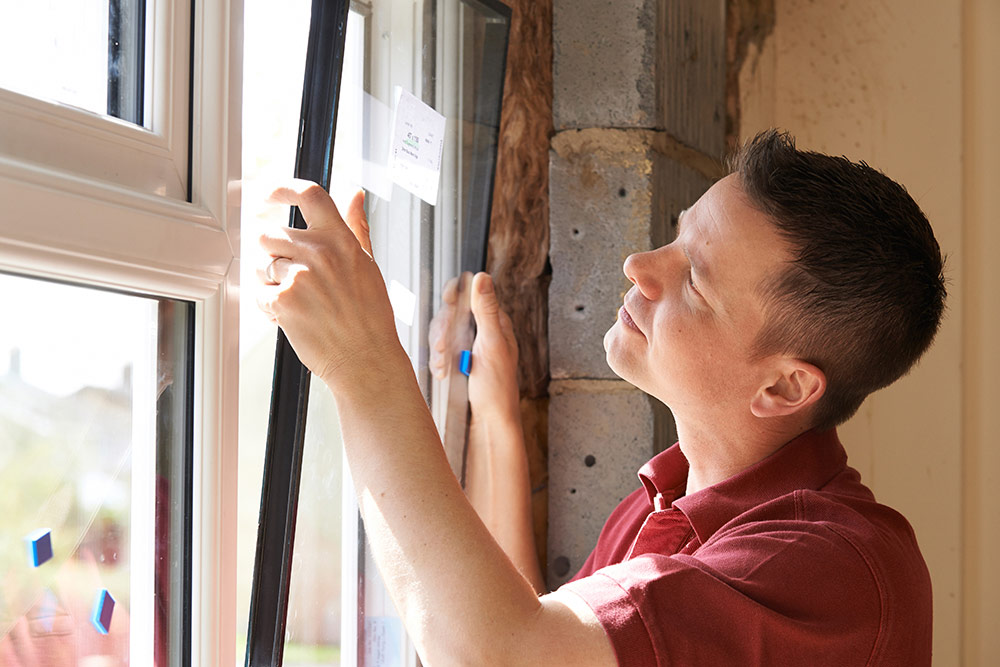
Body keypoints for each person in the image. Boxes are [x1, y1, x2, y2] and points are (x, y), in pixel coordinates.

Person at [256, 130, 945, 665]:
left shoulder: (835, 571)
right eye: (677, 235)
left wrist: (366, 364)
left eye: (696, 279)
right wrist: (496, 418)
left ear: (785, 385)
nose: (640, 266)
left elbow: (500, 654)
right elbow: (538, 632)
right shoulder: (659, 506)